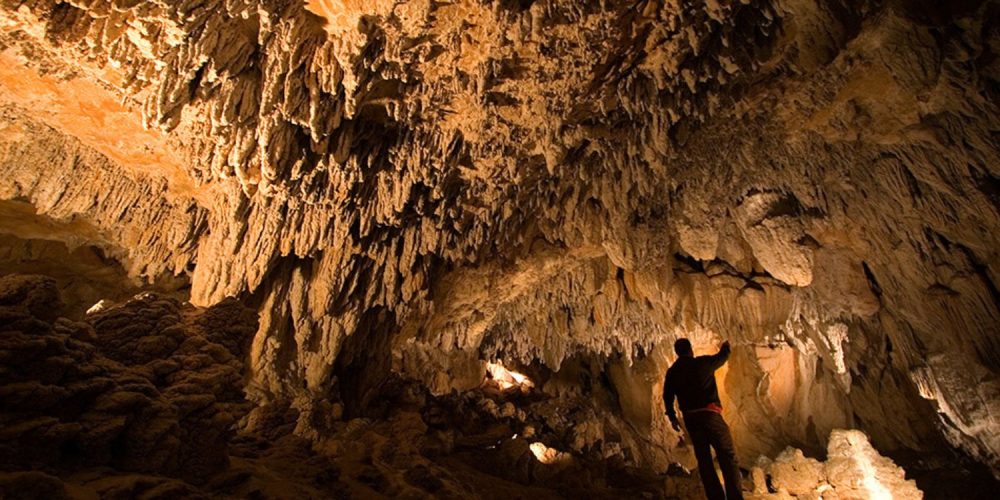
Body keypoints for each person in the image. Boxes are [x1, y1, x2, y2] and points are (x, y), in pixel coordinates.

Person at [663, 338, 742, 500]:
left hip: (691, 419)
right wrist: (726, 346)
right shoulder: (702, 363)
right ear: (690, 350)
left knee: (704, 460)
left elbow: (667, 397)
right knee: (727, 454)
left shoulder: (673, 372)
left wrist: (672, 417)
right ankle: (735, 497)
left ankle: (715, 497)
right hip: (709, 415)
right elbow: (721, 358)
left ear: (676, 352)